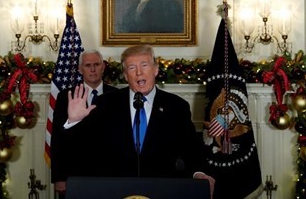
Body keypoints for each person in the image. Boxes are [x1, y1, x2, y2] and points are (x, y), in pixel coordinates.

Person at [65, 45, 215, 197]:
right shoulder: (105, 103)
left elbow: (192, 149)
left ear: (155, 69)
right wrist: (74, 121)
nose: (139, 72)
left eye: (144, 65)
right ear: (125, 74)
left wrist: (199, 173)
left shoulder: (176, 106)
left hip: (163, 191)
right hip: (115, 191)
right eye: (132, 67)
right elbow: (84, 150)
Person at [50, 49, 117, 198]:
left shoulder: (116, 96)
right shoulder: (66, 96)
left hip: (108, 174)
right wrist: (59, 177)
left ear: (103, 67)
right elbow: (57, 138)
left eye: (96, 64)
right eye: (88, 65)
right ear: (80, 69)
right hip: (75, 173)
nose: (92, 69)